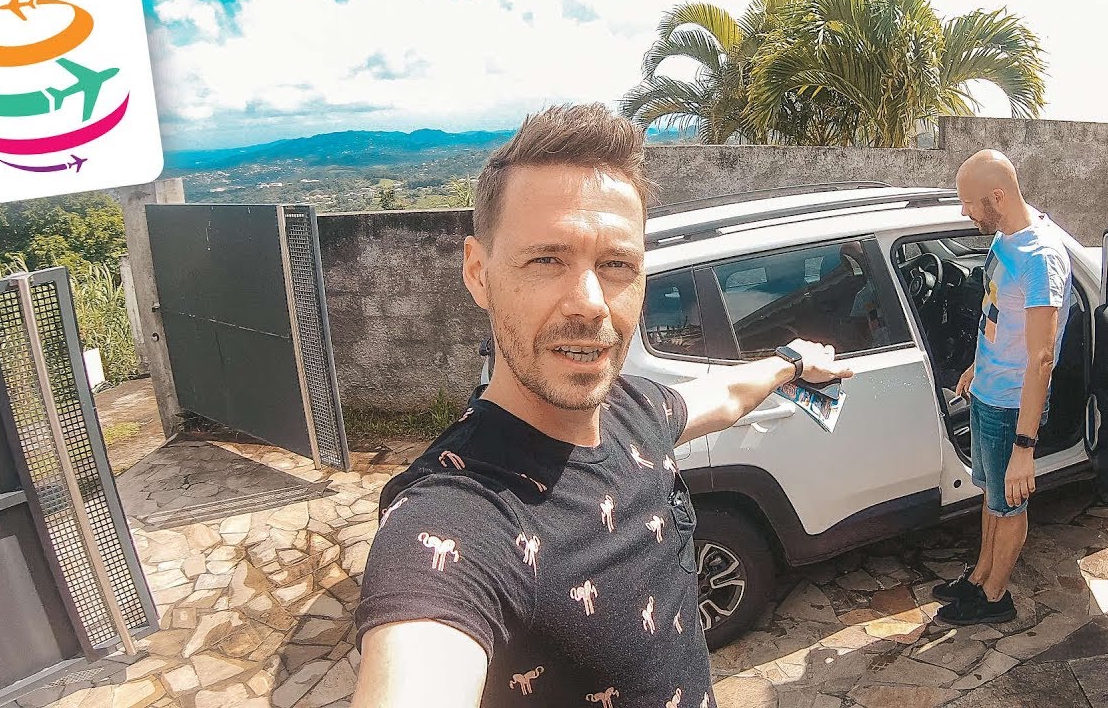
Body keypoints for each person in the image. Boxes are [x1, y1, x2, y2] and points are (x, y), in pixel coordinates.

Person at [350, 104, 853, 707]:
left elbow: (721, 396)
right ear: (479, 273)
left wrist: (791, 364)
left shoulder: (635, 411)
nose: (590, 302)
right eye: (546, 260)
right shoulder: (454, 519)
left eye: (616, 265)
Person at [932, 149, 1073, 625]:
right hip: (988, 392)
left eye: (970, 203)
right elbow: (997, 315)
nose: (965, 212)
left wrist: (1024, 448)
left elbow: (1041, 358)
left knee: (1009, 505)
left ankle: (995, 598)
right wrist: (977, 365)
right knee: (994, 499)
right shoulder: (1004, 238)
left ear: (998, 196)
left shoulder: (1040, 259)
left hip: (1012, 405)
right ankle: (979, 577)